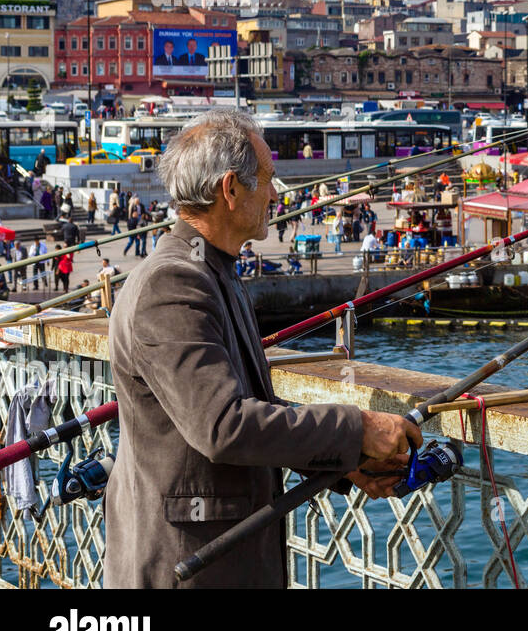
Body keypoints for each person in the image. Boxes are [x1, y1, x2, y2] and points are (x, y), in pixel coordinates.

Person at [104, 108, 419, 589]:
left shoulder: (211, 272)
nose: (276, 195)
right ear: (230, 189)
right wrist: (358, 428)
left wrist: (343, 461)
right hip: (187, 566)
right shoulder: (174, 284)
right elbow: (224, 426)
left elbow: (255, 414)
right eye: (268, 180)